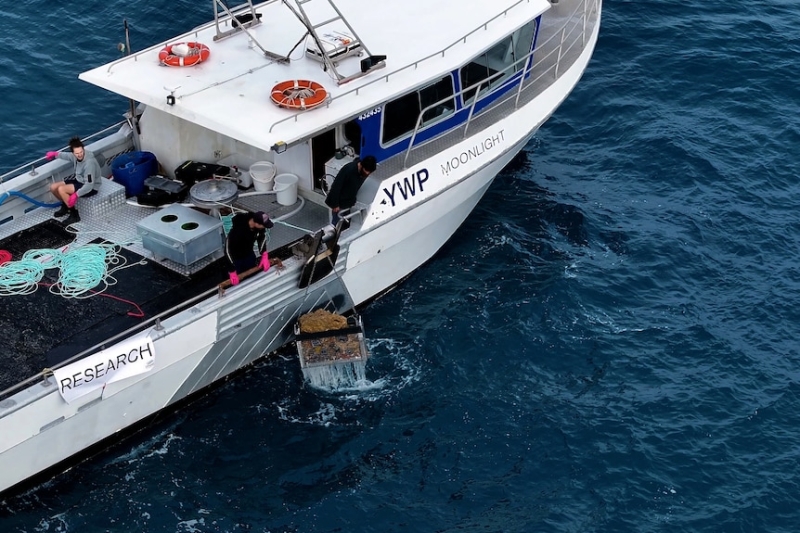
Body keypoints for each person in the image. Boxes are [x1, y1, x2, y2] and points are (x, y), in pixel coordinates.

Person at [45, 137, 103, 225]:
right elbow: (67, 156)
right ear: (73, 152)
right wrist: (55, 154)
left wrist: (76, 195)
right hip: (79, 180)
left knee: (62, 189)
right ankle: (66, 205)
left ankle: (74, 215)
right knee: (53, 187)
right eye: (77, 153)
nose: (79, 155)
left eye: (81, 152)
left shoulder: (89, 163)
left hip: (91, 187)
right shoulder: (74, 156)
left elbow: (89, 185)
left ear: (83, 149)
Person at [225, 211, 274, 286]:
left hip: (249, 254)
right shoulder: (237, 231)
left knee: (252, 275)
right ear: (256, 223)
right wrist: (232, 270)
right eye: (263, 225)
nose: (264, 227)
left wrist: (264, 254)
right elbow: (227, 250)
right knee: (236, 282)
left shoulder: (259, 228)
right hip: (236, 258)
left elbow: (261, 238)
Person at [325, 155, 376, 226]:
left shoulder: (363, 172)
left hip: (348, 202)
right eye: (366, 171)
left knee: (346, 223)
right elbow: (336, 186)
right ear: (361, 165)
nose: (367, 174)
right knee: (336, 224)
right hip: (339, 203)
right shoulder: (348, 170)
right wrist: (335, 204)